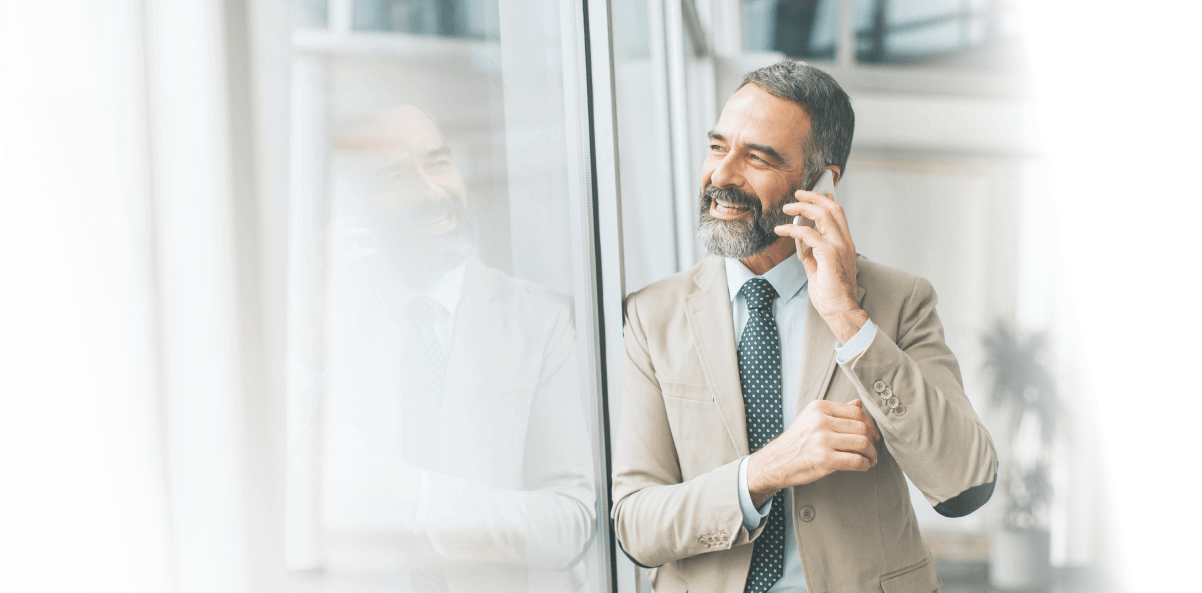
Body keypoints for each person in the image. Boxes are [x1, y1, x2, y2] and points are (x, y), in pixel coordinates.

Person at [610, 60, 998, 593]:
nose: (721, 176)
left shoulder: (898, 301)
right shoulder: (652, 316)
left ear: (820, 183)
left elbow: (965, 485)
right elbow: (635, 526)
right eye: (719, 147)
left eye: (757, 158)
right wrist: (764, 471)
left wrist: (848, 319)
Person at [323, 105, 596, 593]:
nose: (434, 190)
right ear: (351, 204)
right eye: (395, 175)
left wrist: (419, 501)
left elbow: (571, 521)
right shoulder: (334, 323)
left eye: (439, 162)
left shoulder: (542, 320)